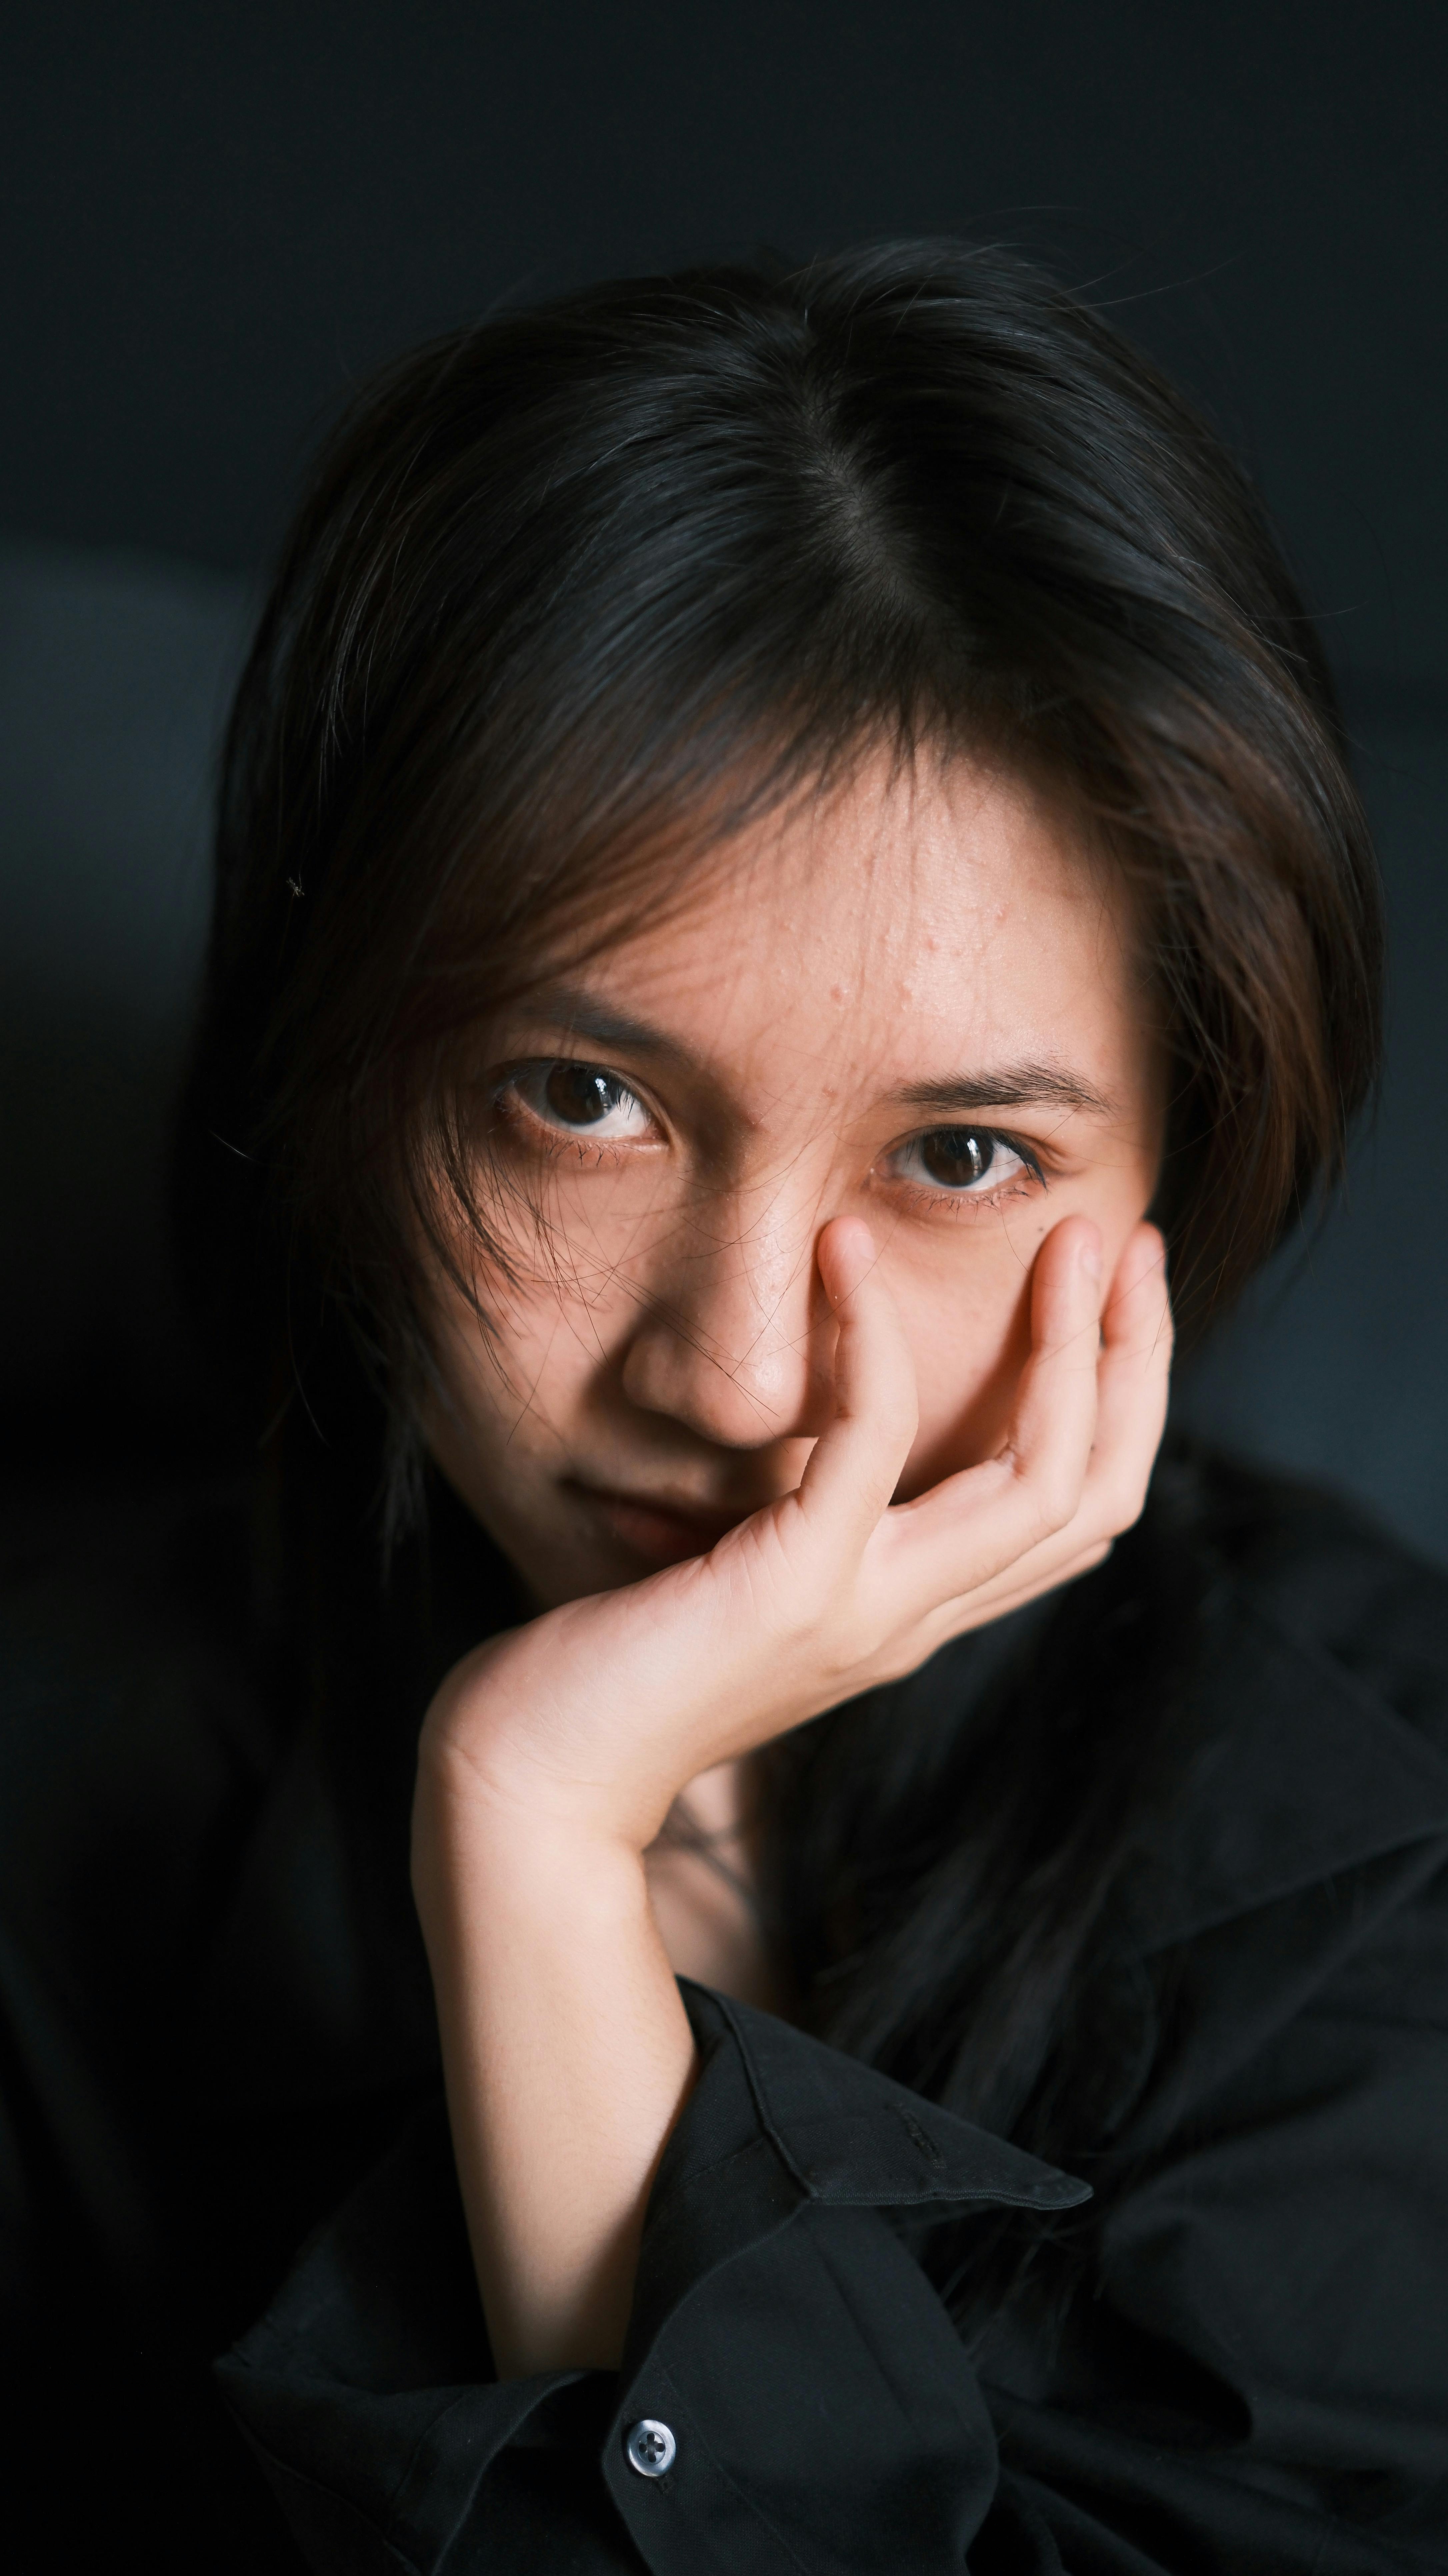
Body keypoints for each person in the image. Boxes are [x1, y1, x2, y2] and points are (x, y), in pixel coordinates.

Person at [3, 243, 1445, 2573]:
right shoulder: (56, 1785)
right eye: (580, 1100)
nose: (745, 1374)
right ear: (343, 1088)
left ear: (1182, 1160)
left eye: (961, 1156)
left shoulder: (1382, 1872)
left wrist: (544, 1840)